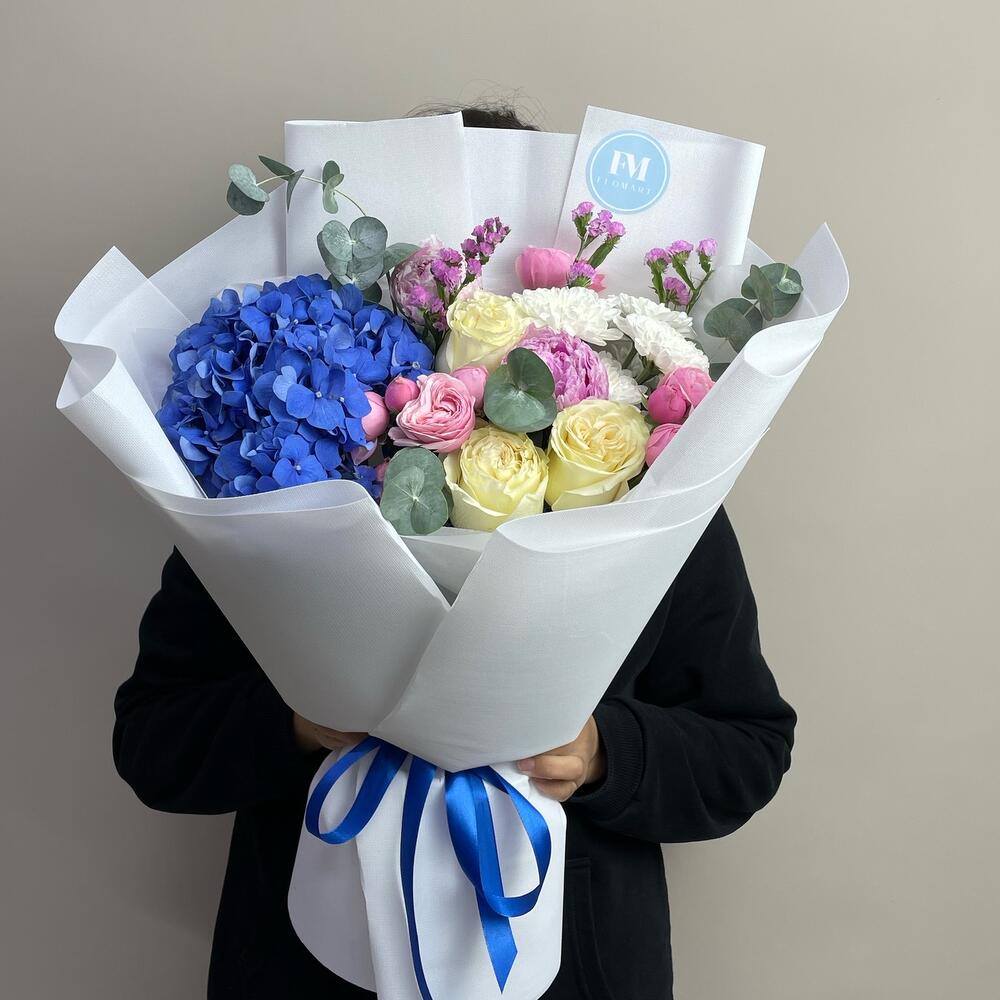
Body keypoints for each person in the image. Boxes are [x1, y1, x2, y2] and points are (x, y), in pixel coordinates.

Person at [113, 103, 796, 1000]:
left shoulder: (664, 499)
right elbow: (153, 741)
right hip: (301, 965)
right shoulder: (266, 490)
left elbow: (748, 749)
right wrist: (298, 721)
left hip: (581, 962)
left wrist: (603, 751)